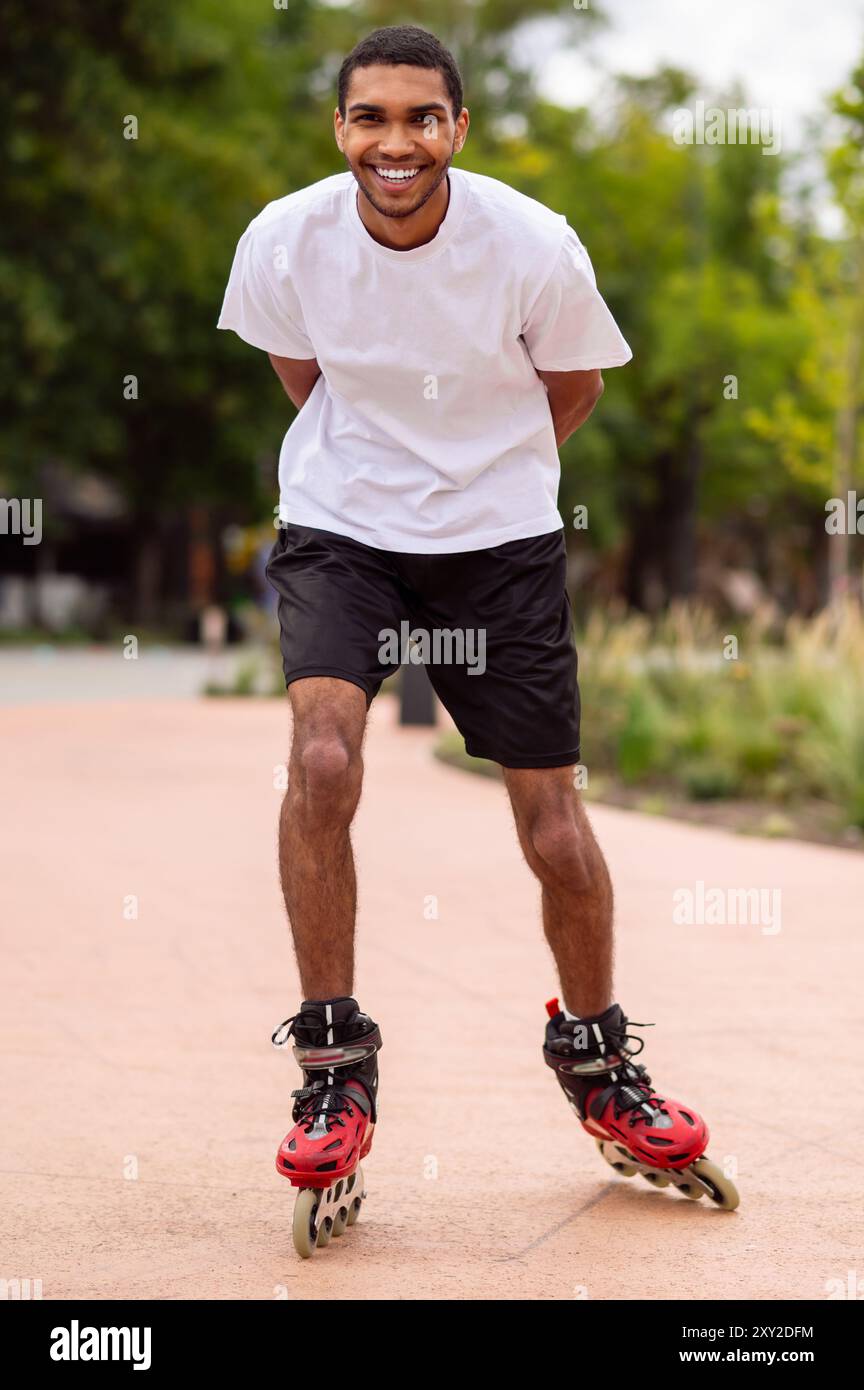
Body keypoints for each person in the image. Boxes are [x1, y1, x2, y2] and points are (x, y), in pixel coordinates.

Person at [218, 25, 736, 1256]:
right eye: (368, 118)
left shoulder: (530, 243)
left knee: (554, 825)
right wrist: (386, 481)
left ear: (457, 128)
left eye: (419, 117)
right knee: (325, 759)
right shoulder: (285, 239)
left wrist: (476, 481)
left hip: (501, 543)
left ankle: (602, 1062)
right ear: (339, 128)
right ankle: (334, 1059)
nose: (393, 142)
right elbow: (306, 375)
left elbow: (576, 387)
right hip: (344, 527)